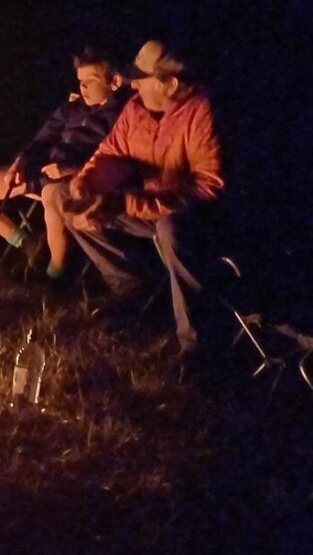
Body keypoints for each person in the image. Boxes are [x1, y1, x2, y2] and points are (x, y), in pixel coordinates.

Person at [63, 40, 224, 352]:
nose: (133, 84)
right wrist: (87, 185)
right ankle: (133, 289)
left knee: (170, 227)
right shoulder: (138, 108)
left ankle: (196, 346)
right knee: (62, 198)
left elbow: (209, 190)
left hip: (200, 223)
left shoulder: (203, 113)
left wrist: (125, 203)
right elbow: (112, 152)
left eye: (141, 77)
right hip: (151, 209)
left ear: (171, 84)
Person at [0, 48, 127, 278]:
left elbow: (114, 158)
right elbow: (42, 139)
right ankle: (26, 244)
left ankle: (54, 275)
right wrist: (20, 163)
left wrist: (69, 170)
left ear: (114, 82)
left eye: (89, 82)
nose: (82, 88)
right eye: (79, 82)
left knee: (51, 194)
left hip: (75, 181)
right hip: (43, 172)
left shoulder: (123, 117)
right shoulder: (71, 108)